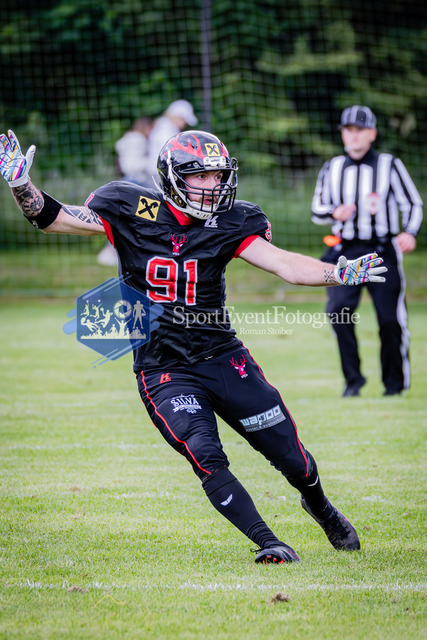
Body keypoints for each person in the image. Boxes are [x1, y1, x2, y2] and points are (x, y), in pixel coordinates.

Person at [0, 128, 387, 564]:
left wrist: (338, 273)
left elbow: (285, 265)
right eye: (200, 176)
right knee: (204, 454)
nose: (212, 186)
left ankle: (320, 506)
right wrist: (21, 183)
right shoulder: (130, 205)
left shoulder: (232, 221)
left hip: (222, 357)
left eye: (218, 176)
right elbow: (52, 217)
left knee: (291, 456)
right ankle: (269, 542)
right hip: (162, 367)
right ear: (172, 177)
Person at [312, 105, 423, 398]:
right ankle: (353, 381)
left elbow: (413, 203)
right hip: (346, 251)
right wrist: (335, 212)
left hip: (381, 250)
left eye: (360, 130)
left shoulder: (390, 165)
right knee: (338, 312)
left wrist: (409, 232)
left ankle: (394, 386)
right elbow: (317, 208)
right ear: (342, 134)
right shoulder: (332, 167)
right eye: (348, 130)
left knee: (390, 320)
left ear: (372, 133)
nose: (354, 135)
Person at [97, 116, 155, 266]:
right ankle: (110, 251)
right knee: (131, 218)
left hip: (130, 182)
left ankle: (117, 251)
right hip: (134, 182)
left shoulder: (130, 139)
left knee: (129, 218)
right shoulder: (138, 140)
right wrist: (150, 163)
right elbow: (132, 165)